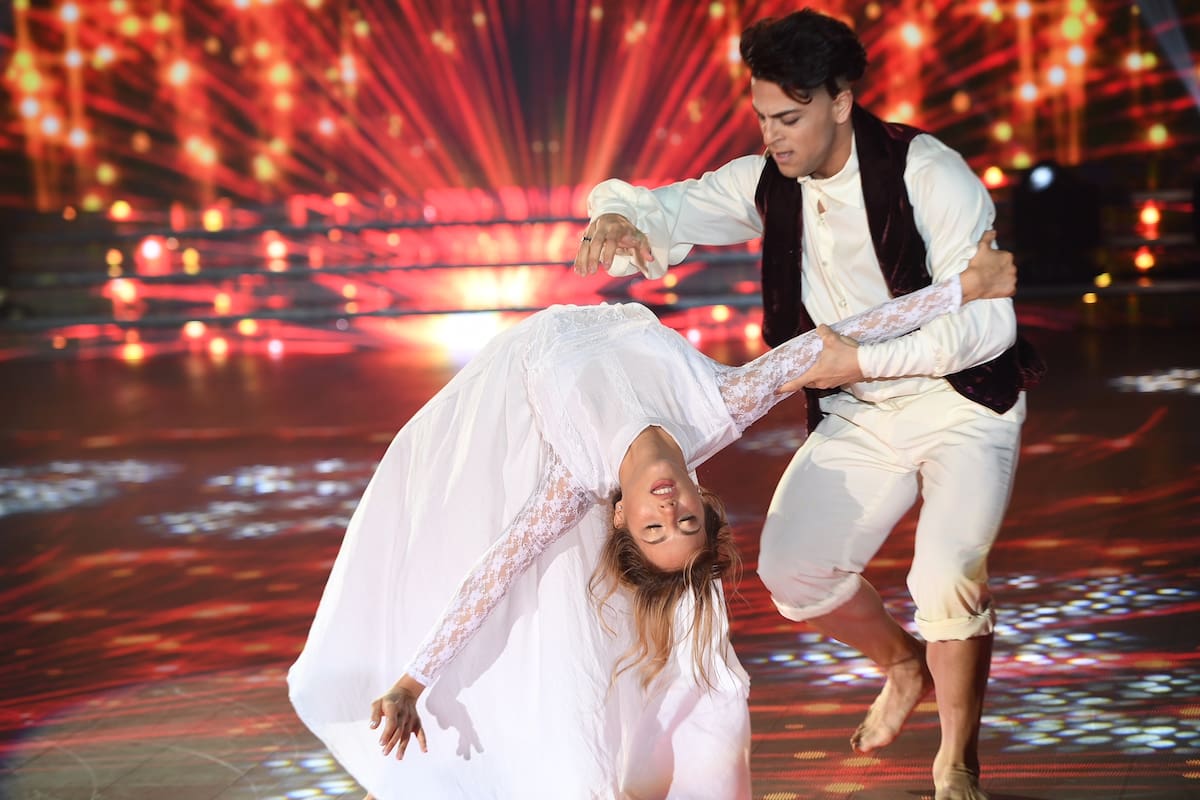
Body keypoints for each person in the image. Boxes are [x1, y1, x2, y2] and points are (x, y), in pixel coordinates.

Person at [287, 235, 1016, 799]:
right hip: (591, 324)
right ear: (704, 504)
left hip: (511, 376)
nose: (668, 510)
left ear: (620, 521)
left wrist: (414, 681)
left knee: (479, 537)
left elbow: (491, 577)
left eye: (654, 530)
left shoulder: (576, 478)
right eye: (687, 523)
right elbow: (836, 338)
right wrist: (963, 288)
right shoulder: (717, 408)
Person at [574, 10, 1043, 800]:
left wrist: (862, 357)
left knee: (945, 576)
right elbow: (671, 207)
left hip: (963, 401)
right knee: (792, 572)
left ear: (840, 98)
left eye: (788, 119)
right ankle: (902, 664)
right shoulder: (770, 178)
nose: (773, 137)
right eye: (762, 118)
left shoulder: (928, 171)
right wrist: (619, 215)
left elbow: (988, 322)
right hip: (858, 411)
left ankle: (956, 760)